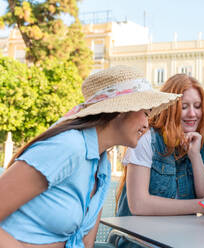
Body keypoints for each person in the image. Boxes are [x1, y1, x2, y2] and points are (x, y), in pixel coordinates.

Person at [0, 65, 180, 248]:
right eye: (145, 113)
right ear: (119, 111)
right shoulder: (68, 147)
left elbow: (86, 242)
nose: (146, 124)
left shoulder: (102, 164)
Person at [115, 73, 204, 217]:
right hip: (138, 236)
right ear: (169, 108)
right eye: (184, 106)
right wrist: (199, 205)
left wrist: (195, 156)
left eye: (197, 106)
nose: (192, 114)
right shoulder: (147, 139)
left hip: (181, 236)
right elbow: (138, 205)